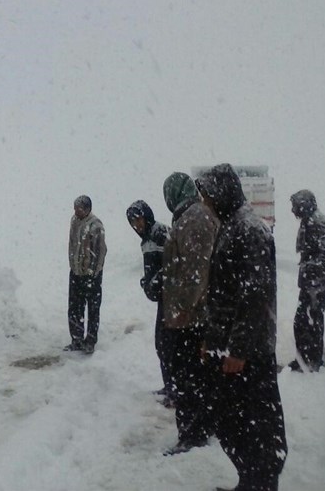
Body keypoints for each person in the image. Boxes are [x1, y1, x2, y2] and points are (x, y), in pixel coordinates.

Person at [196, 164, 287, 491]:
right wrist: (212, 339)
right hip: (230, 347)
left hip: (249, 353)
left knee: (256, 427)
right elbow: (223, 294)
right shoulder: (232, 224)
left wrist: (238, 349)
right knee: (231, 422)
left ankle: (260, 483)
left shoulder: (249, 229)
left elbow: (254, 297)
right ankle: (249, 481)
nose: (204, 202)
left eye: (206, 195)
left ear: (221, 193)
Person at [160, 172, 219, 455]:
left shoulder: (194, 219)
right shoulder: (192, 216)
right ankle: (200, 427)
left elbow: (196, 270)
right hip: (195, 315)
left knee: (189, 377)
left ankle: (193, 434)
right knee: (195, 376)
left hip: (192, 318)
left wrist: (182, 308)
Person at [126, 200, 172, 399]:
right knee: (161, 344)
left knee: (168, 345)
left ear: (146, 216)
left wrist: (155, 282)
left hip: (172, 299)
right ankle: (169, 385)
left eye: (138, 220)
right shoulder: (146, 240)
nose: (136, 225)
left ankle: (175, 389)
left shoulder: (159, 233)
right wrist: (147, 281)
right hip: (163, 298)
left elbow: (173, 264)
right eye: (132, 222)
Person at [288, 189, 325, 372]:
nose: (293, 211)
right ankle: (306, 358)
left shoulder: (319, 223)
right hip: (312, 282)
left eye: (295, 207)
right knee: (306, 321)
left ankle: (311, 360)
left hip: (318, 283)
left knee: (309, 321)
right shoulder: (309, 221)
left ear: (304, 205)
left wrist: (310, 269)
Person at [65, 195, 107, 354]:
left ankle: (90, 341)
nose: (76, 211)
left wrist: (93, 272)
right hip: (75, 272)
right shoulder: (74, 221)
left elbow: (101, 251)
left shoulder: (96, 226)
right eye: (75, 208)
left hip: (91, 276)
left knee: (93, 309)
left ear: (88, 209)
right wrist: (73, 265)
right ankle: (76, 339)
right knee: (74, 307)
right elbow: (71, 243)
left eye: (79, 208)